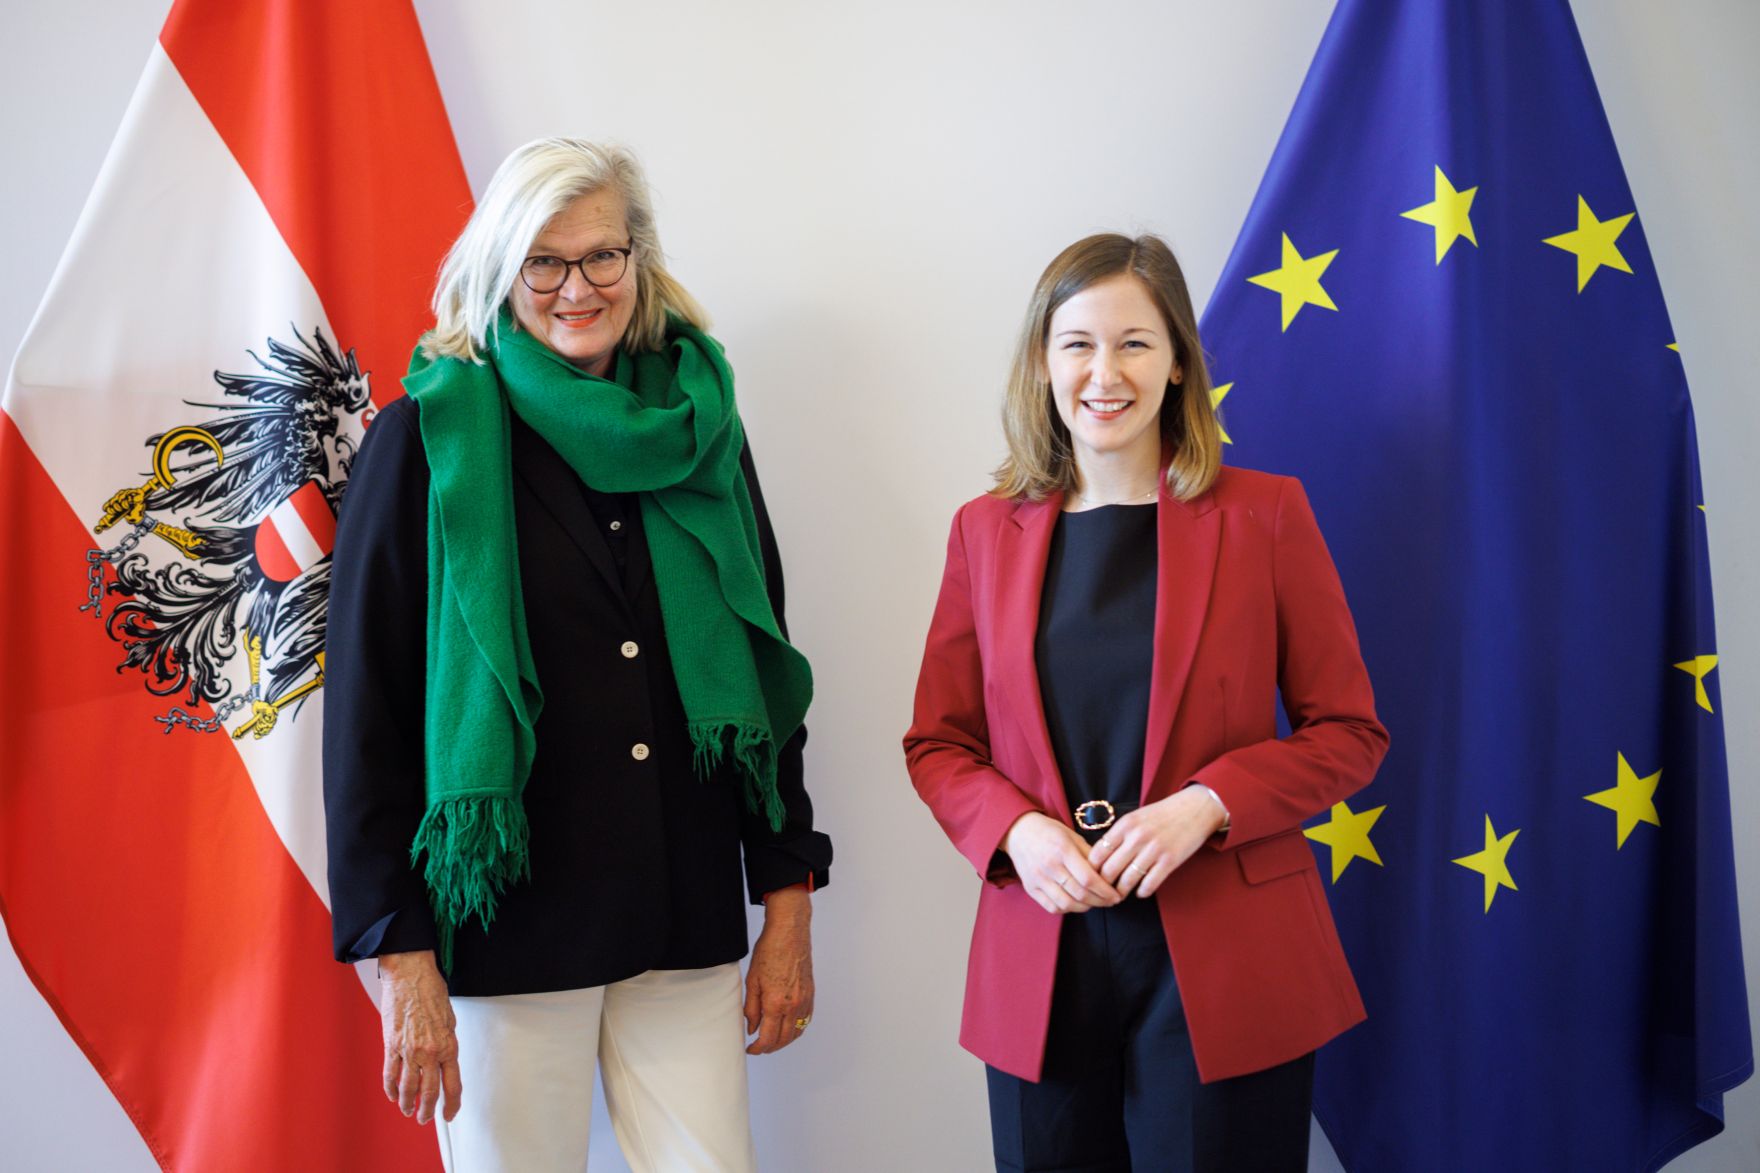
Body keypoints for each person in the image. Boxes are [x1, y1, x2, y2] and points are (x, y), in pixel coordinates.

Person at [323, 137, 831, 1173]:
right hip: (505, 924)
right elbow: (366, 715)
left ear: (638, 260)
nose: (576, 287)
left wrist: (786, 903)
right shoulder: (423, 438)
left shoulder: (700, 431)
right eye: (543, 262)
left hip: (681, 913)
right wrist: (401, 958)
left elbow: (764, 674)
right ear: (499, 270)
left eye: (601, 255)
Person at [903, 233, 1388, 1172]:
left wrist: (1208, 805)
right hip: (1045, 950)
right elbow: (939, 742)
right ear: (1043, 365)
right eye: (1077, 342)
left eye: (1135, 342)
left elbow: (1350, 733)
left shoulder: (1267, 515)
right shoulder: (982, 532)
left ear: (1177, 366)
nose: (1104, 371)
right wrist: (1018, 833)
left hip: (1226, 957)